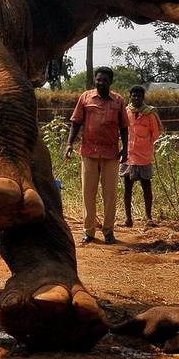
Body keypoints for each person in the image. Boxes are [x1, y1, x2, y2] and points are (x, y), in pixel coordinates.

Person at [64, 66, 129, 244]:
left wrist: (126, 148)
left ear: (110, 82)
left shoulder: (118, 101)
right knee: (88, 193)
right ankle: (89, 231)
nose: (101, 83)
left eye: (104, 80)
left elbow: (124, 127)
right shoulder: (85, 98)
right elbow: (76, 122)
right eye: (98, 79)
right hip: (89, 152)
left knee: (110, 195)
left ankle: (108, 231)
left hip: (111, 154)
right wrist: (69, 144)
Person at [121, 85, 161, 228]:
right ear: (130, 96)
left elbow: (155, 134)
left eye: (139, 95)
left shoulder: (149, 114)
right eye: (134, 95)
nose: (136, 98)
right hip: (128, 156)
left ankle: (149, 218)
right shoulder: (125, 112)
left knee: (147, 187)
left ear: (143, 98)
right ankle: (128, 219)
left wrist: (147, 146)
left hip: (144, 156)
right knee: (127, 188)